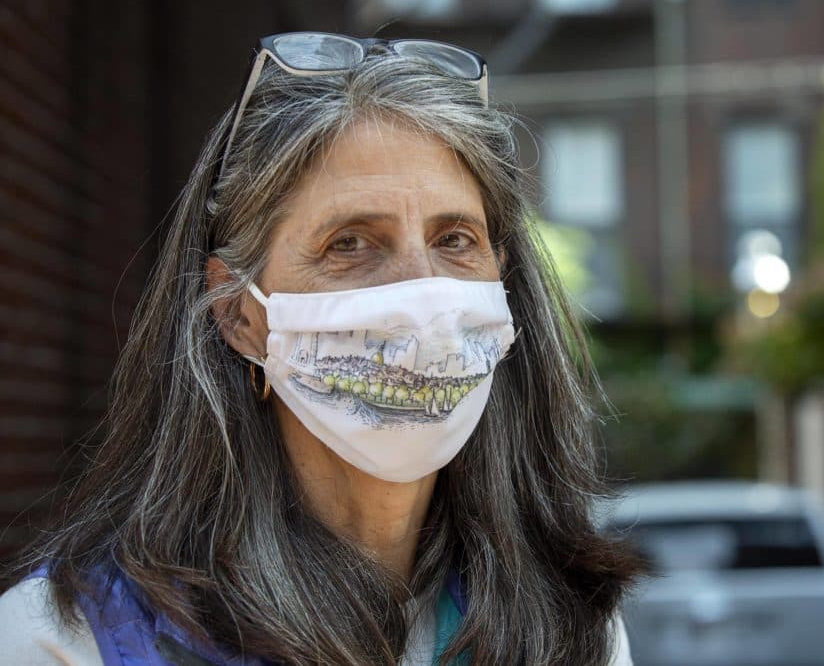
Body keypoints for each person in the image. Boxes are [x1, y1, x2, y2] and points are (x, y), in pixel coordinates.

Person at [0, 33, 640, 665]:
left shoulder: (572, 629)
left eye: (455, 239)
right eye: (350, 244)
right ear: (239, 314)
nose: (423, 289)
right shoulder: (68, 641)